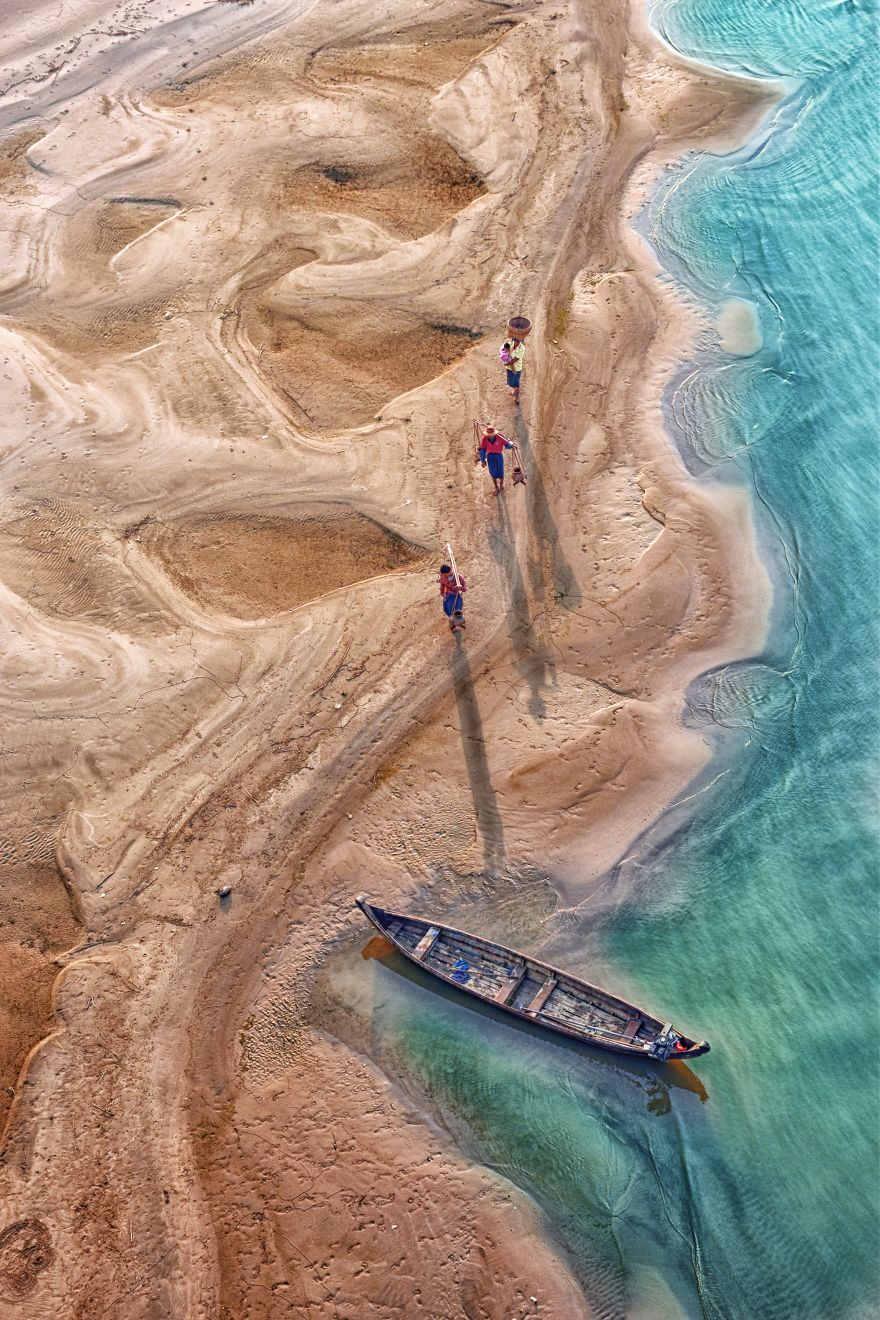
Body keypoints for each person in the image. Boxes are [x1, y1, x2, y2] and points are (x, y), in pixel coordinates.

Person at [478, 425, 513, 495]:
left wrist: (511, 445)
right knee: (493, 473)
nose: (491, 436)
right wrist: (483, 460)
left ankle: (501, 484)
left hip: (499, 456)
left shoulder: (500, 437)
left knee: (501, 472)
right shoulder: (484, 438)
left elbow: (507, 445)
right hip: (490, 457)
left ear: (495, 434)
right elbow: (483, 450)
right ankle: (496, 487)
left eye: (492, 435)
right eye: (489, 435)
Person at [439, 564, 466, 633]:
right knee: (447, 609)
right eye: (444, 574)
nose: (446, 576)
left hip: (456, 596)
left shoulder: (458, 577)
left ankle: (456, 624)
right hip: (448, 595)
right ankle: (452, 620)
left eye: (447, 574)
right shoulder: (443, 576)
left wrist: (460, 588)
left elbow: (464, 588)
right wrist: (442, 593)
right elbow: (442, 584)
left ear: (450, 571)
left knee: (457, 612)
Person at [500, 337, 526, 403]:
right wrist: (503, 359)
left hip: (517, 368)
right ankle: (515, 391)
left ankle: (517, 397)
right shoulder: (509, 344)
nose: (518, 342)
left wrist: (506, 363)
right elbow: (502, 350)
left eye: (519, 340)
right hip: (509, 368)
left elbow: (515, 359)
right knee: (510, 382)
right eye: (517, 340)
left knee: (516, 382)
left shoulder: (522, 348)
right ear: (514, 340)